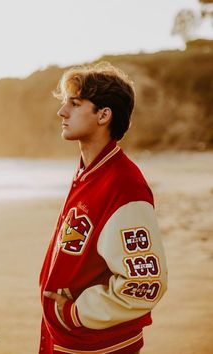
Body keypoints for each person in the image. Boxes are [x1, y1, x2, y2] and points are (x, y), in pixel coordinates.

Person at [39, 62, 167, 354]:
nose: (62, 112)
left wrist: (73, 314)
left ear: (103, 115)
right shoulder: (88, 174)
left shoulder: (123, 185)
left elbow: (145, 282)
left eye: (75, 103)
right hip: (70, 339)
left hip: (99, 346)